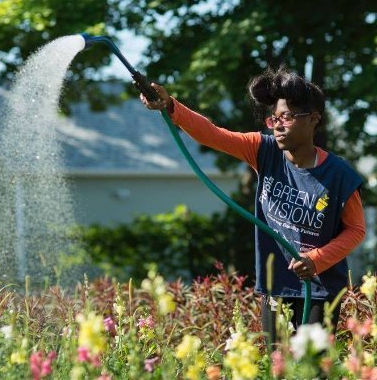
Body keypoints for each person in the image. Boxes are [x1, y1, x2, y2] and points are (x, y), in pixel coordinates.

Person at [139, 67, 365, 343]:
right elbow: (212, 134)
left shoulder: (339, 174)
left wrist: (317, 260)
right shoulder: (264, 150)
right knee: (277, 365)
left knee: (312, 368)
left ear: (313, 120)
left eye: (288, 117)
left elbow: (356, 230)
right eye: (275, 119)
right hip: (276, 283)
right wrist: (172, 106)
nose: (279, 125)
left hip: (318, 290)